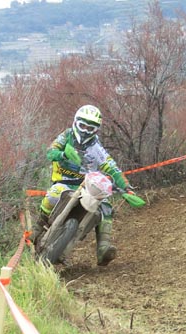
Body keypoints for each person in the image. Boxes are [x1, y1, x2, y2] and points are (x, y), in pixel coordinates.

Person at [34, 104, 132, 266]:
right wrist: (62, 154)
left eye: (90, 128)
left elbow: (111, 166)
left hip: (86, 186)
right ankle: (38, 227)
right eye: (83, 126)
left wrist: (127, 188)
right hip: (63, 181)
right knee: (52, 195)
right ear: (76, 123)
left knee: (105, 205)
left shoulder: (96, 147)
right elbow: (50, 152)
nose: (86, 130)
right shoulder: (66, 136)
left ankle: (103, 247)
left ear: (96, 130)